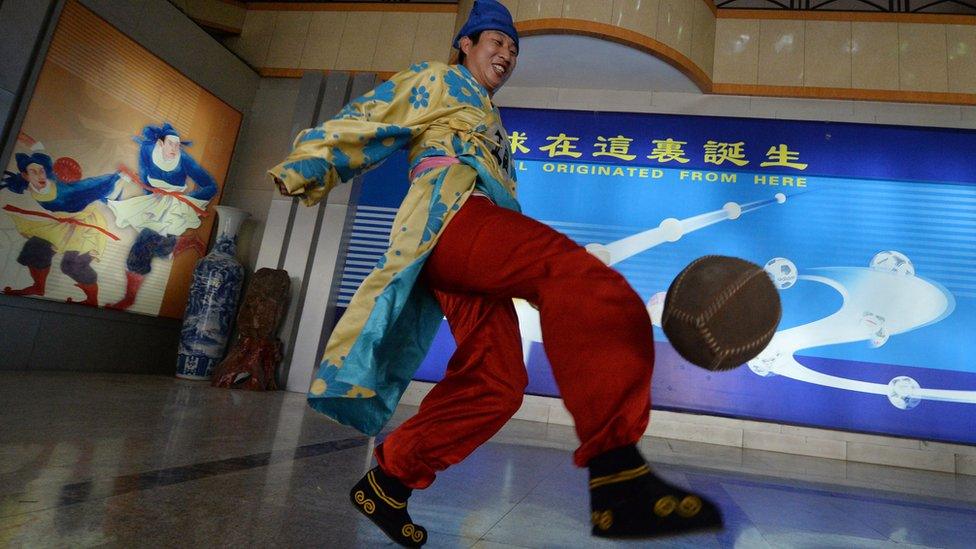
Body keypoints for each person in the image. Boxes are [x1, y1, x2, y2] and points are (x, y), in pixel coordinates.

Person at [269, 1, 722, 545]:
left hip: (472, 244)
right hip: (451, 219)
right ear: (465, 43)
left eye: (513, 48)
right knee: (583, 279)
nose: (506, 53)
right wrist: (305, 163)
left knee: (500, 382)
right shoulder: (438, 79)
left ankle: (388, 481)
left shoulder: (491, 119)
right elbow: (371, 116)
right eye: (497, 42)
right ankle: (617, 478)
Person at [106, 123, 217, 310]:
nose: (174, 148)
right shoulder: (147, 149)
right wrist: (150, 195)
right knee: (152, 244)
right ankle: (184, 242)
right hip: (154, 201)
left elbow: (211, 186)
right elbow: (144, 174)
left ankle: (130, 297)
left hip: (176, 206)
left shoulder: (185, 161)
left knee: (143, 245)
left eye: (177, 144)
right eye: (171, 143)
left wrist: (186, 201)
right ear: (160, 143)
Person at [1, 145, 124, 306]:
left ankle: (92, 299)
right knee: (35, 249)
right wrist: (33, 143)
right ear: (25, 175)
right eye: (33, 172)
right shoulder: (38, 183)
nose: (39, 175)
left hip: (85, 226)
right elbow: (45, 155)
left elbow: (92, 186)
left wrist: (120, 176)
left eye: (41, 171)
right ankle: (38, 287)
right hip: (62, 225)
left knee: (72, 265)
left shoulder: (68, 192)